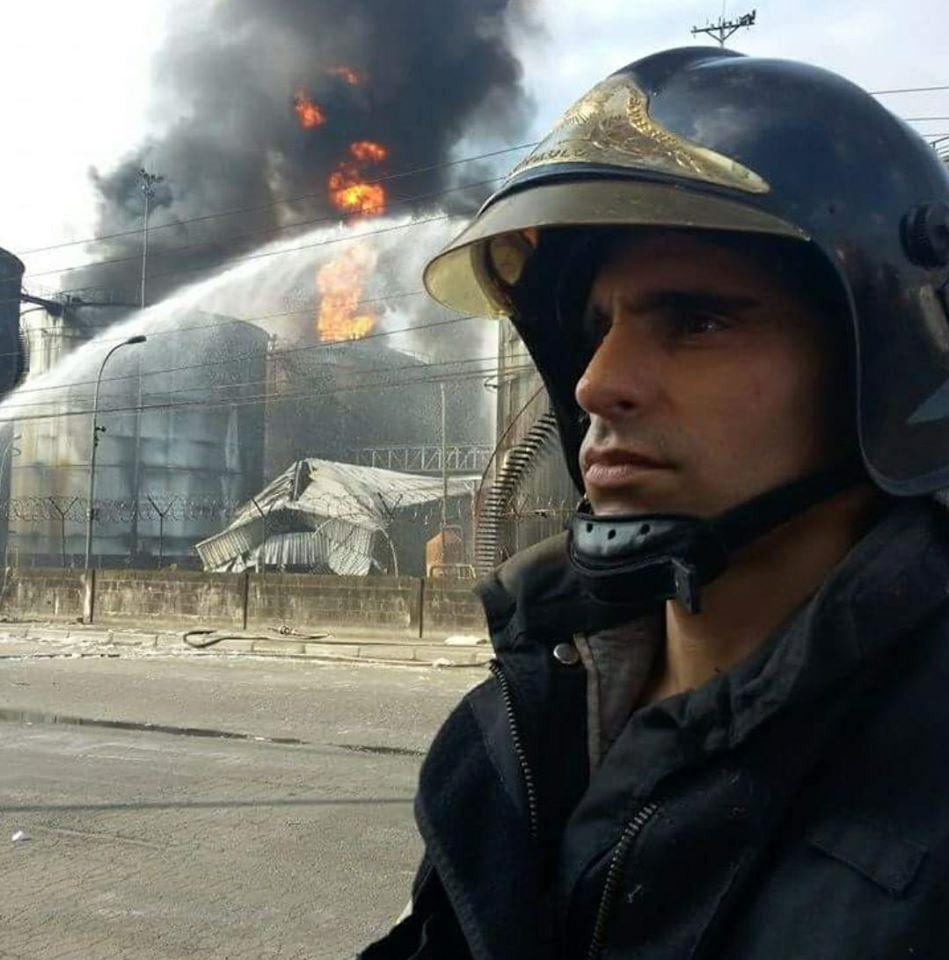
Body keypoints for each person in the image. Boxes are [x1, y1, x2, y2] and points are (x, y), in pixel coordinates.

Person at [360, 46, 949, 959]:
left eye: (697, 321)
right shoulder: (519, 726)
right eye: (597, 327)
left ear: (880, 361)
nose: (599, 382)